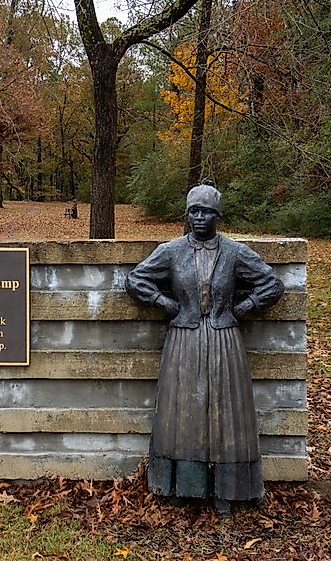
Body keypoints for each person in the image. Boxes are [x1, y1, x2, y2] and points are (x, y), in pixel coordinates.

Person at [125, 180, 284, 516]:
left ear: (217, 216)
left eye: (207, 212)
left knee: (227, 413)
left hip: (224, 340)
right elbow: (136, 279)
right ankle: (183, 487)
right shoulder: (171, 251)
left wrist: (244, 307)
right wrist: (165, 303)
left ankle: (230, 489)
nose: (200, 218)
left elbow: (272, 282)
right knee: (181, 412)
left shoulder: (235, 252)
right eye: (194, 211)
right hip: (184, 338)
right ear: (187, 214)